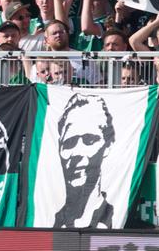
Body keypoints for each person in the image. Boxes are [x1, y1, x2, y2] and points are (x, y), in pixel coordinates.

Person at [54, 94, 115, 228]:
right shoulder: (51, 221)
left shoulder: (115, 217)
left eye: (89, 140)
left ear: (107, 146)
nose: (77, 152)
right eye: (70, 142)